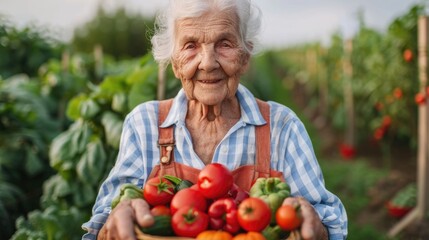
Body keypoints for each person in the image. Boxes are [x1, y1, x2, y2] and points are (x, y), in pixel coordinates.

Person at [82, 0, 348, 239]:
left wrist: (313, 223)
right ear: (174, 63)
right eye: (190, 46)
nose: (208, 63)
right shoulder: (144, 124)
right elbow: (102, 221)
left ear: (245, 57)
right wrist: (117, 216)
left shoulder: (281, 127)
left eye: (225, 44)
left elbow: (330, 223)